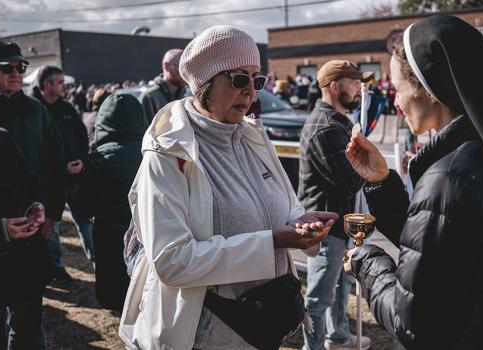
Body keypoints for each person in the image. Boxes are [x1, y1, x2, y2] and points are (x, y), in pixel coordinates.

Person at [119, 25, 338, 350]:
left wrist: (299, 223)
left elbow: (283, 206)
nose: (252, 92)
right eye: (239, 79)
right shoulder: (168, 154)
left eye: (257, 79)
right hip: (205, 333)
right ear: (204, 84)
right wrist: (274, 241)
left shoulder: (252, 137)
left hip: (262, 326)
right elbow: (172, 260)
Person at [344, 14, 483, 349]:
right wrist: (383, 182)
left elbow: (416, 328)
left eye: (398, 89)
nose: (395, 102)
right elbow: (443, 253)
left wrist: (367, 263)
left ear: (430, 90)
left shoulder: (452, 178)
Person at [298, 59, 371, 350]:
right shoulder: (325, 127)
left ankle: (337, 337)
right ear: (334, 86)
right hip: (324, 227)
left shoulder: (338, 122)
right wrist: (367, 162)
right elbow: (350, 182)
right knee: (319, 296)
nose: (358, 89)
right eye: (353, 83)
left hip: (337, 224)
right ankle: (312, 347)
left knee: (339, 288)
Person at [70, 93, 148, 311]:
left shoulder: (99, 160)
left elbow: (83, 206)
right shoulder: (153, 155)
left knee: (121, 301)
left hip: (112, 243)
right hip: (148, 239)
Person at [0, 40, 66, 268]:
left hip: (34, 217)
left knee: (30, 294)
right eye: (6, 67)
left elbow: (56, 161)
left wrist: (52, 213)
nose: (15, 73)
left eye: (20, 67)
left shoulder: (37, 111)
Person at [0, 127, 49, 350]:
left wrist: (34, 206)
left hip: (20, 260)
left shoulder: (1, 136)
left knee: (26, 331)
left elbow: (29, 182)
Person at [33, 65, 93, 275]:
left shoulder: (67, 109)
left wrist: (82, 161)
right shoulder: (34, 110)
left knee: (85, 221)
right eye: (59, 82)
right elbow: (35, 150)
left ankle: (98, 263)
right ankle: (56, 269)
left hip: (75, 179)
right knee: (52, 227)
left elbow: (82, 136)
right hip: (49, 183)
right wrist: (61, 167)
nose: (64, 86)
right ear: (47, 84)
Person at [139, 48, 187, 122]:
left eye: (187, 68)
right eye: (180, 67)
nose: (184, 73)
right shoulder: (149, 97)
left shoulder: (186, 97)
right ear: (166, 66)